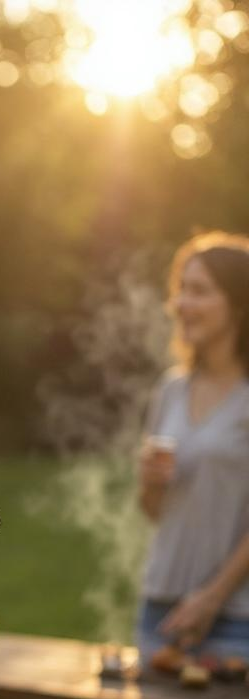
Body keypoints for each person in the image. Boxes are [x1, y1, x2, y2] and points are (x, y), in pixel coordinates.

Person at [137, 231, 249, 672]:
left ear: (239, 303)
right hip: (161, 607)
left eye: (199, 291)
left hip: (237, 616)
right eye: (181, 289)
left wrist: (212, 597)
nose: (182, 303)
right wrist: (150, 484)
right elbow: (153, 511)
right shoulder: (171, 390)